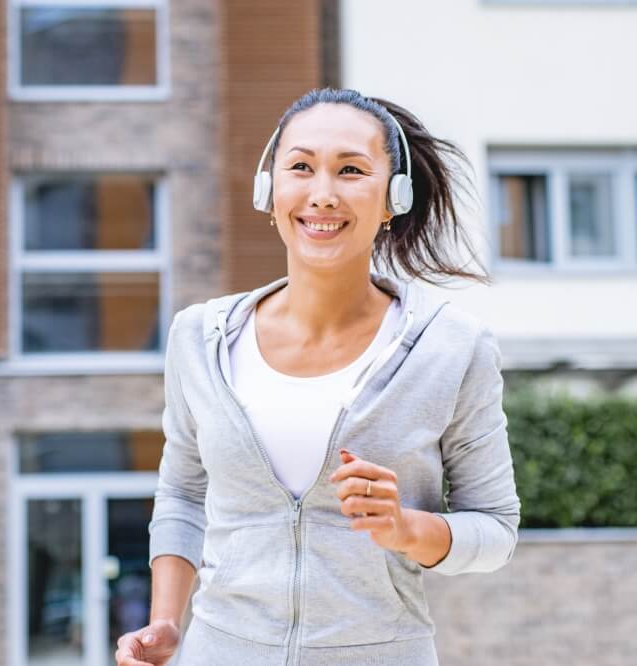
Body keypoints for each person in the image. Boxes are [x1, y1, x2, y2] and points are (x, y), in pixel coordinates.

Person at [115, 87, 521, 666]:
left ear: (392, 198)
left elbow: (497, 529)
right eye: (300, 167)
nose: (322, 194)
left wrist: (406, 529)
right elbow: (183, 494)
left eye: (351, 170)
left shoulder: (453, 347)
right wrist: (165, 622)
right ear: (270, 189)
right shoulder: (199, 338)